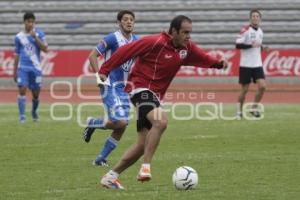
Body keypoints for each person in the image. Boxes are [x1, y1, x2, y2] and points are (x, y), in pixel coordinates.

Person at [97, 15, 228, 189]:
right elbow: (125, 51)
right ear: (173, 31)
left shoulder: (185, 48)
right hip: (140, 89)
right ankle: (146, 168)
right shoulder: (154, 42)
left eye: (190, 33)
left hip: (154, 96)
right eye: (185, 32)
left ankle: (110, 177)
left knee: (142, 144)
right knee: (161, 121)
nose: (188, 36)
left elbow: (202, 57)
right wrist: (105, 69)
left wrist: (217, 64)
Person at [83, 10, 138, 166]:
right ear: (119, 23)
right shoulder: (113, 38)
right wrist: (99, 74)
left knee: (121, 125)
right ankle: (93, 123)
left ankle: (100, 158)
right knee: (120, 122)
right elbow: (92, 55)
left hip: (124, 89)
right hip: (109, 85)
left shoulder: (137, 41)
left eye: (131, 20)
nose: (129, 22)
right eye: (125, 19)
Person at [13, 12, 48, 123]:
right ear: (24, 22)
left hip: (36, 68)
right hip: (23, 68)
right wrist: (14, 72)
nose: (31, 24)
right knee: (22, 89)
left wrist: (36, 38)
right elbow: (17, 54)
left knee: (36, 93)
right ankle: (22, 116)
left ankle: (34, 111)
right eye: (29, 21)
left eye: (33, 22)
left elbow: (45, 49)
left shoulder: (39, 34)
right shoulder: (18, 37)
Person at [236, 9, 268, 119]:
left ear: (260, 19)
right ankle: (239, 111)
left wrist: (263, 47)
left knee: (263, 86)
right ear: (250, 18)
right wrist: (251, 46)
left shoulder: (260, 32)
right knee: (244, 90)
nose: (255, 18)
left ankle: (254, 108)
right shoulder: (245, 30)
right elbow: (238, 45)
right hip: (245, 65)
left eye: (257, 16)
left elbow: (258, 45)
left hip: (257, 64)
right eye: (253, 16)